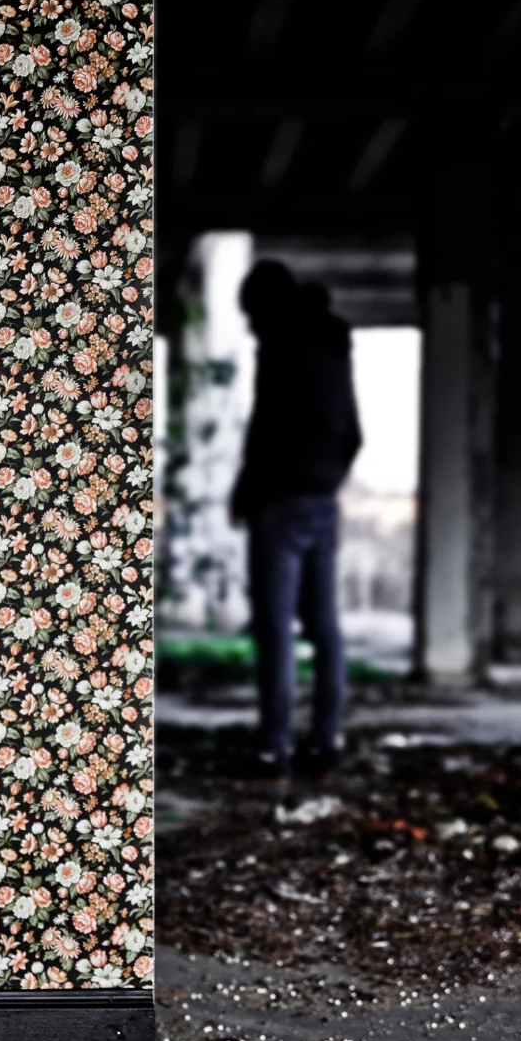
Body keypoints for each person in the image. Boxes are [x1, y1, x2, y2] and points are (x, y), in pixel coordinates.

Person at [231, 262, 362, 784]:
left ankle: (272, 749)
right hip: (323, 500)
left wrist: (248, 491)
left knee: (275, 628)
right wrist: (326, 478)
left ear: (266, 307)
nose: (249, 327)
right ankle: (326, 740)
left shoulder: (281, 343)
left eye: (251, 315)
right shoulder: (333, 344)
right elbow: (353, 431)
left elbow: (269, 428)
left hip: (281, 502)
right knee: (324, 627)